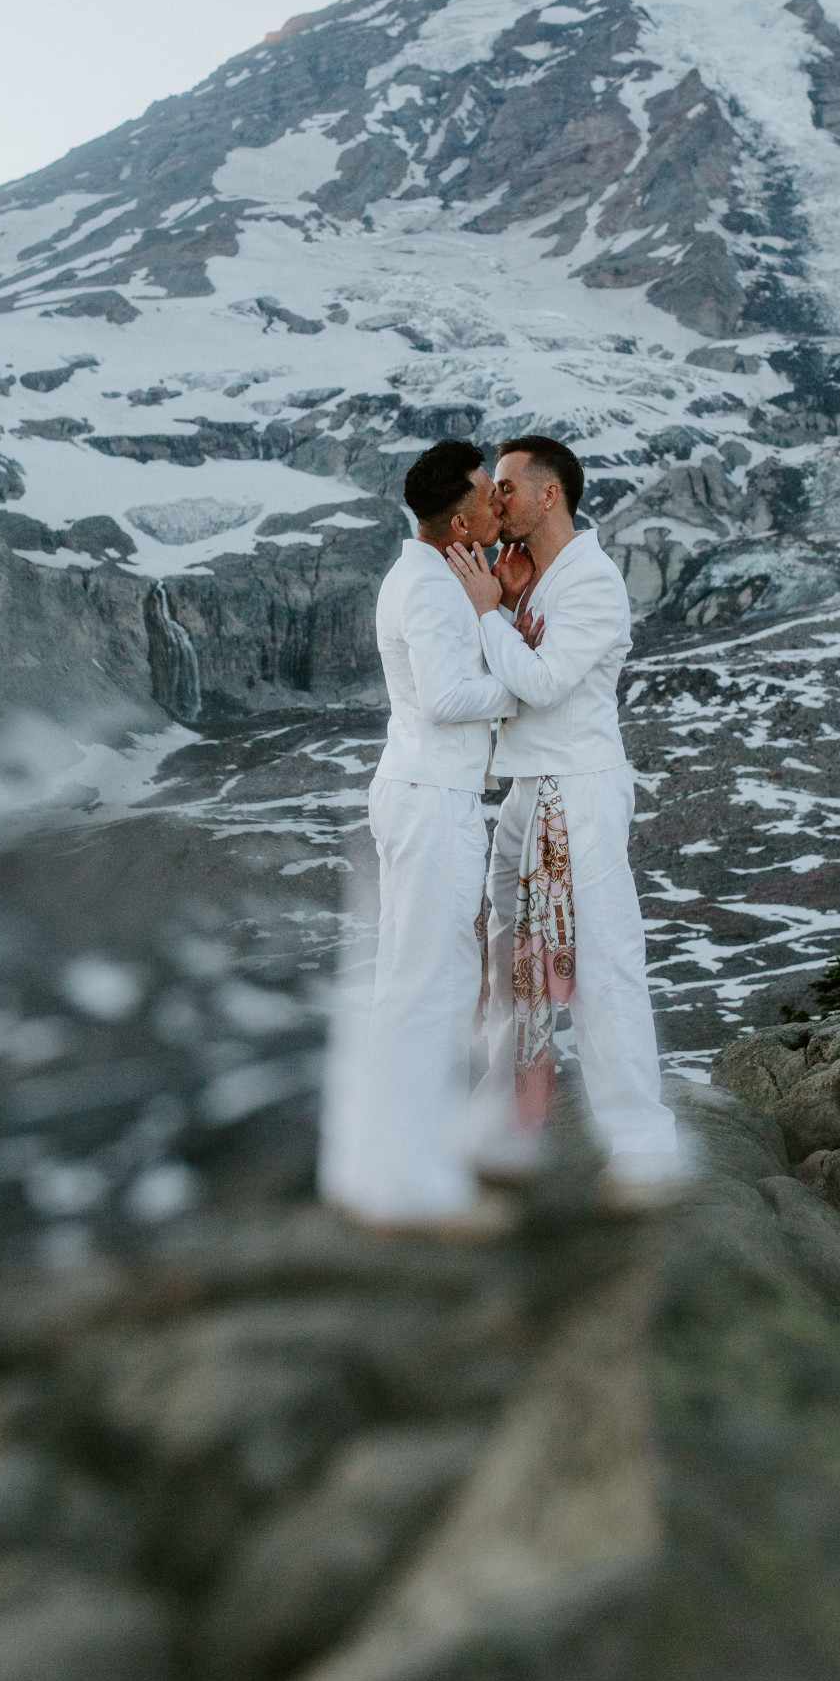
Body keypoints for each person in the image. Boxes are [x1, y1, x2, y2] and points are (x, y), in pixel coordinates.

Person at [447, 435, 680, 1203]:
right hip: (527, 790)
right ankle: (501, 1129)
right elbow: (510, 682)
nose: (496, 500)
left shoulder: (593, 582)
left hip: (576, 791)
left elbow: (540, 686)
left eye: (508, 487)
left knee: (604, 967)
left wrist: (489, 613)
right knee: (510, 968)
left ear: (551, 495)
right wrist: (509, 606)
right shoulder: (538, 582)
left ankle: (641, 1147)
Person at [318, 438, 526, 1236]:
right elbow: (446, 697)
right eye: (488, 494)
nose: (498, 504)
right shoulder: (435, 591)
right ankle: (410, 1182)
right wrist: (524, 685)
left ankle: (395, 1162)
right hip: (433, 796)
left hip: (419, 790)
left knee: (417, 975)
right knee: (432, 978)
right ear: (461, 516)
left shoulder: (425, 575)